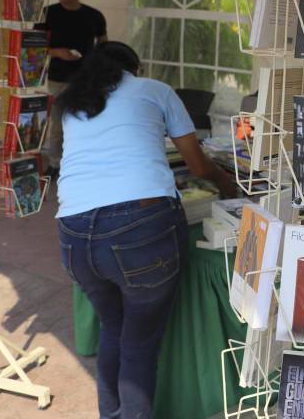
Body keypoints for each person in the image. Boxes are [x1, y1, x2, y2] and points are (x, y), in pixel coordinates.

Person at [55, 42, 236, 419]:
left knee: (113, 329)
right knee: (138, 344)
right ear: (134, 68)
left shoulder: (74, 106)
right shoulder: (154, 90)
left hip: (73, 234)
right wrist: (226, 182)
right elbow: (198, 165)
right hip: (138, 228)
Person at [35, 0, 108, 175]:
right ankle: (55, 164)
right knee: (58, 125)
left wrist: (100, 70)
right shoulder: (47, 14)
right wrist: (57, 52)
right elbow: (33, 50)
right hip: (58, 78)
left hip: (87, 79)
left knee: (86, 122)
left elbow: (104, 46)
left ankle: (84, 163)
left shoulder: (94, 16)